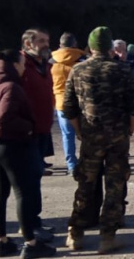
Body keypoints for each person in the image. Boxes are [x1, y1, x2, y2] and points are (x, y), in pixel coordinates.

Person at [64, 27, 134, 254]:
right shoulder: (122, 69)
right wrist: (129, 130)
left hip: (90, 135)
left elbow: (68, 108)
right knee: (115, 186)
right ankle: (107, 236)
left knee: (85, 184)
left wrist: (80, 131)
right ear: (109, 47)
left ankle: (75, 233)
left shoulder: (77, 70)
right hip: (117, 136)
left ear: (90, 47)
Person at [0, 49, 55, 258]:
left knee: (0, 193)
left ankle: (2, 241)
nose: (24, 68)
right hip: (12, 145)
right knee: (23, 194)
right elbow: (5, 116)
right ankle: (31, 243)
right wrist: (29, 128)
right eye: (21, 64)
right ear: (13, 65)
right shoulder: (11, 87)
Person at [20, 29, 55, 235]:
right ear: (28, 44)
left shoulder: (44, 65)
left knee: (36, 178)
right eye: (41, 41)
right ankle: (29, 227)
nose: (46, 45)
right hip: (27, 133)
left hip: (43, 131)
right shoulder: (21, 65)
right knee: (28, 182)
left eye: (47, 41)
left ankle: (35, 222)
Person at [51, 32, 86, 175]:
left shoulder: (51, 61)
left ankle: (71, 165)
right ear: (74, 44)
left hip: (61, 102)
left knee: (67, 135)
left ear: (60, 44)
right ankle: (87, 162)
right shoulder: (82, 59)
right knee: (86, 134)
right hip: (81, 101)